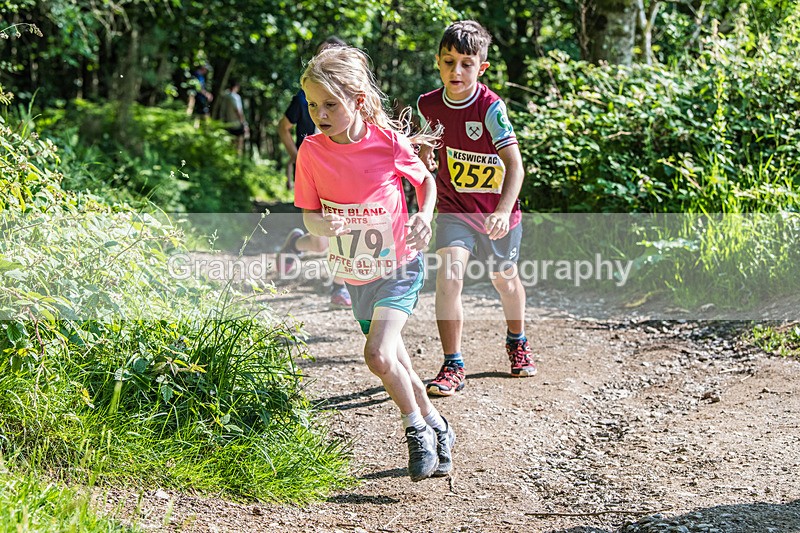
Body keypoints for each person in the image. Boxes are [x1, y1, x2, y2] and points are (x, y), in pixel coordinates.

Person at [294, 45, 456, 482]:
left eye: (330, 104)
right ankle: (439, 424)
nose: (319, 114)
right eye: (312, 104)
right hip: (354, 273)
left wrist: (424, 216)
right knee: (395, 362)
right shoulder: (310, 151)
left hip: (400, 266)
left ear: (358, 102)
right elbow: (308, 213)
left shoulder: (386, 142)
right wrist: (323, 226)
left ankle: (416, 430)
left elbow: (426, 184)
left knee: (378, 354)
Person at [416, 20, 537, 397]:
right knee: (449, 278)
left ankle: (517, 339)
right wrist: (425, 155)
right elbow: (428, 146)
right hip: (454, 210)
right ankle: (453, 363)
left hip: (495, 212)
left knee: (504, 279)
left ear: (481, 67)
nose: (457, 71)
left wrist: (502, 211)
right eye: (449, 61)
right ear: (438, 62)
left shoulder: (490, 107)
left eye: (466, 63)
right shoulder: (427, 104)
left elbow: (515, 166)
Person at [277, 36, 351, 309]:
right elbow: (282, 127)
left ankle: (339, 286)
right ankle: (296, 244)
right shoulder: (302, 96)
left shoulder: (350, 98)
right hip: (314, 172)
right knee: (320, 244)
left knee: (344, 227)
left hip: (343, 174)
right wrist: (297, 159)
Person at [219, 78, 249, 155]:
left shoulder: (225, 96)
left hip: (228, 123)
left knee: (231, 144)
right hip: (237, 124)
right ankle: (237, 161)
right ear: (236, 87)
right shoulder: (235, 97)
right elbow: (238, 111)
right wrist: (244, 123)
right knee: (239, 145)